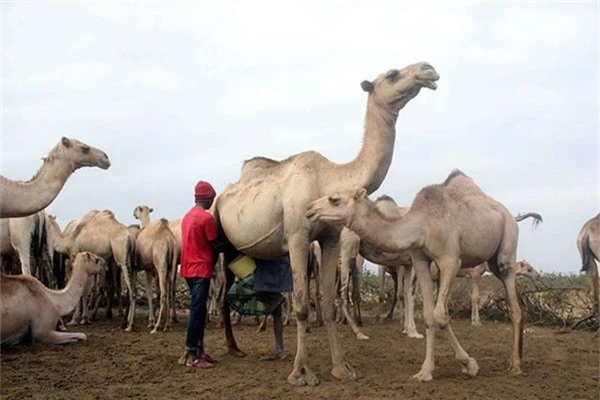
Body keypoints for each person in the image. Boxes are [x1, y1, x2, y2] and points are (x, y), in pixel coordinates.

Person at [179, 180, 219, 369]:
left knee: (200, 309)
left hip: (187, 269)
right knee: (196, 311)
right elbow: (214, 244)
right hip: (201, 269)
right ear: (208, 198)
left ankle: (198, 349)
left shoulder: (187, 217)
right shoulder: (206, 219)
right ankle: (192, 355)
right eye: (212, 198)